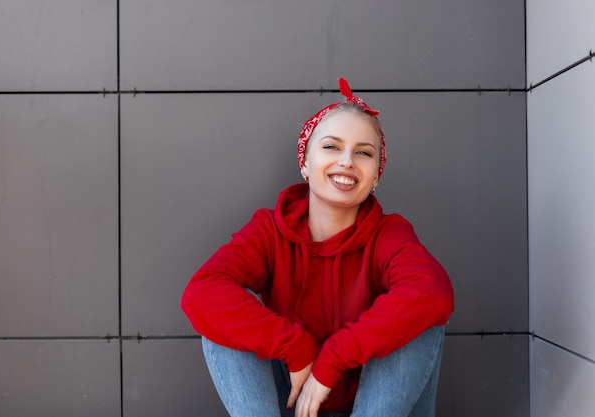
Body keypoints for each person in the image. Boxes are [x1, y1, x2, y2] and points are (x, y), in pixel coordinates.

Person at [181, 78, 454, 417]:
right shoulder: (269, 230)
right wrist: (297, 349)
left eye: (364, 153)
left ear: (376, 177)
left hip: (372, 406)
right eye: (331, 147)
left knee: (423, 316)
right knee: (221, 319)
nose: (347, 161)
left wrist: (333, 359)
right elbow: (201, 292)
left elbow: (433, 293)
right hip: (292, 401)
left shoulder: (389, 234)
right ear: (305, 164)